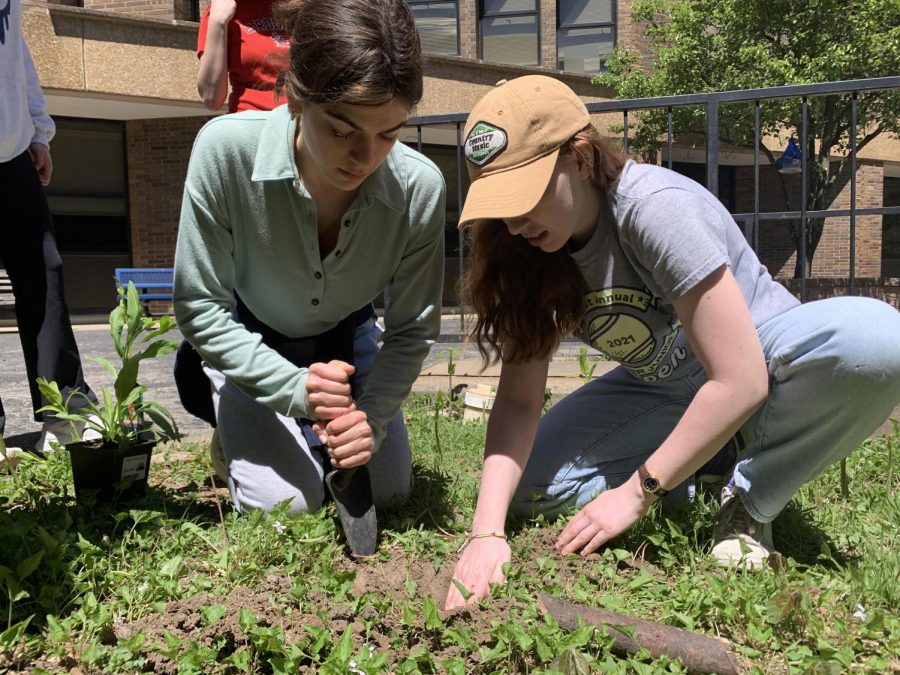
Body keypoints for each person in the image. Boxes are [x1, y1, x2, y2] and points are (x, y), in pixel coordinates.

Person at [444, 75, 900, 609]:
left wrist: (636, 495)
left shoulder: (654, 207)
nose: (515, 221)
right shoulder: (524, 249)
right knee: (530, 490)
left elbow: (740, 377)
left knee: (877, 341)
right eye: (500, 202)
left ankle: (749, 502)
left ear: (582, 156)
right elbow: (520, 402)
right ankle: (708, 462)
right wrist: (485, 533)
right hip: (662, 386)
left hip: (759, 358)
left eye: (527, 194)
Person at [174, 0, 445, 515]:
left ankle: (295, 431)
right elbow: (200, 308)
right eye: (342, 130)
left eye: (388, 134)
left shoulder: (419, 190)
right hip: (250, 336)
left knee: (387, 494)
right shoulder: (224, 152)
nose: (365, 158)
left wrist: (373, 418)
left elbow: (412, 330)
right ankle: (234, 418)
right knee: (290, 505)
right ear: (296, 98)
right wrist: (292, 388)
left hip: (351, 335)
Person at [0, 0, 99, 461]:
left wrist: (39, 130)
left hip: (13, 151)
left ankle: (66, 415)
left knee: (43, 273)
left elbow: (14, 48)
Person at [196, 0, 291, 113]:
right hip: (252, 120)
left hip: (306, 120)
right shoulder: (223, 7)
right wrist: (218, 21)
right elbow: (211, 98)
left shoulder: (307, 6)